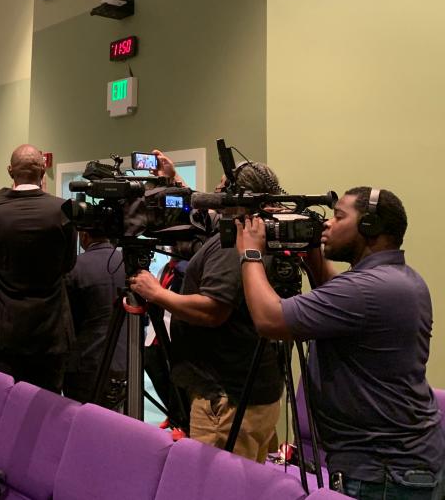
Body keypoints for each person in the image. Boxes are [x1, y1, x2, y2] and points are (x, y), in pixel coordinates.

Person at [239, 187, 445, 498]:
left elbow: (270, 320)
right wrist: (313, 257)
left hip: (383, 474)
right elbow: (343, 297)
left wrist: (250, 253)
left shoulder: (367, 289)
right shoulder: (400, 278)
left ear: (369, 228)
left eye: (338, 217)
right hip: (398, 465)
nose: (327, 225)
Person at [129, 151, 284, 463]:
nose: (216, 191)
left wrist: (157, 294)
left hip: (225, 398)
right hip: (244, 387)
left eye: (223, 187)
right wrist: (173, 180)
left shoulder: (234, 241)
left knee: (220, 487)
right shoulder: (250, 230)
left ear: (239, 196)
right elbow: (202, 213)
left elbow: (213, 310)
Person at [0, 144, 77, 393]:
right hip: (51, 331)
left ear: (10, 171)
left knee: (3, 406)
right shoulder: (64, 209)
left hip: (5, 330)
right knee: (46, 409)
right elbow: (69, 264)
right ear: (43, 171)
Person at [63, 227, 129, 407]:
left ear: (84, 236)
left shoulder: (74, 267)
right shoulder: (129, 264)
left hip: (86, 363)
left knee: (83, 423)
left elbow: (67, 320)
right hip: (126, 361)